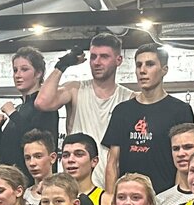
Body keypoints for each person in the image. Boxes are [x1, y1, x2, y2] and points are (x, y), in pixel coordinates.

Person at [34, 34, 135, 188]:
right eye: (93, 57)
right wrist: (61, 66)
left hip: (112, 185)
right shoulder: (75, 89)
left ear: (118, 60)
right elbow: (42, 102)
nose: (97, 62)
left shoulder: (129, 98)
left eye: (104, 57)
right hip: (75, 186)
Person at [103, 44, 193, 195]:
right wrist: (111, 199)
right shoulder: (122, 111)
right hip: (129, 198)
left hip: (164, 195)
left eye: (150, 64)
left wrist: (175, 199)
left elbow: (183, 162)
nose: (142, 70)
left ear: (164, 70)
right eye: (139, 65)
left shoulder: (180, 110)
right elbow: (113, 162)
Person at [0, 46, 60, 172]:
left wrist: (13, 114)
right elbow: (6, 150)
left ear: (38, 73)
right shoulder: (20, 108)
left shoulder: (44, 106)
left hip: (30, 177)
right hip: (10, 177)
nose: (18, 75)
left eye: (24, 69)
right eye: (15, 70)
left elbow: (37, 141)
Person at [60, 133, 111, 205]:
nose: (70, 160)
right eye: (66, 155)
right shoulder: (52, 199)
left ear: (94, 161)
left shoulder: (106, 201)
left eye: (79, 154)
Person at [21, 129, 57, 205]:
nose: (32, 163)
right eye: (27, 158)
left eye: (38, 156)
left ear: (52, 158)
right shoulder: (23, 196)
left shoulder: (64, 192)